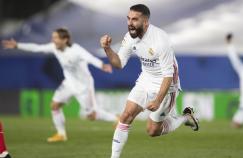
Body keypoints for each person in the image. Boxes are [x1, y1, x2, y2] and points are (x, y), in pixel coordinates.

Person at [100, 4, 199, 158]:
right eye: (128, 19)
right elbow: (119, 63)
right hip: (145, 80)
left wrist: (158, 100)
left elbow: (168, 74)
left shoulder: (160, 40)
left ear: (145, 22)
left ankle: (186, 117)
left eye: (135, 19)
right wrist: (107, 49)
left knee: (153, 131)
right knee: (125, 116)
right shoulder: (130, 38)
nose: (130, 23)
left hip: (167, 85)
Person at [2, 28, 118, 142]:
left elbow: (90, 58)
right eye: (53, 38)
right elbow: (37, 48)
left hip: (83, 86)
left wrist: (102, 65)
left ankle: (116, 119)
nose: (53, 40)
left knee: (92, 116)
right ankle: (61, 134)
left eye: (56, 38)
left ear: (65, 39)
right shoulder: (54, 47)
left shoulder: (76, 50)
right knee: (54, 105)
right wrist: (18, 45)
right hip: (68, 83)